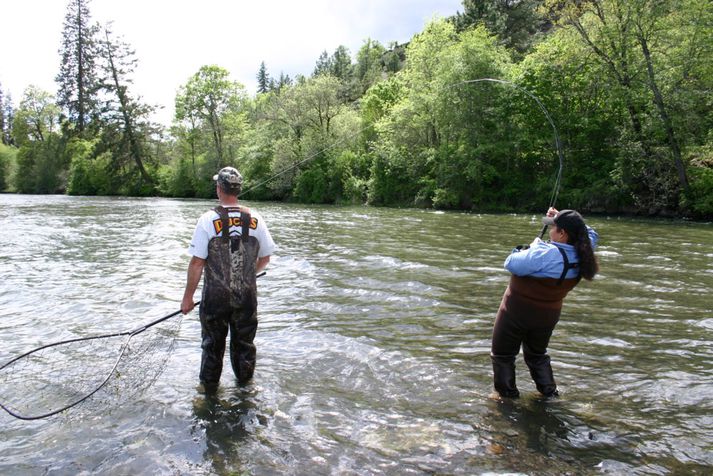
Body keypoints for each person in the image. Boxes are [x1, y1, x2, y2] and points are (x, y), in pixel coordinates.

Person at [181, 166, 275, 392]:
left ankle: (209, 395)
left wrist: (187, 298)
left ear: (218, 189)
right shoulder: (256, 219)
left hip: (215, 299)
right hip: (246, 298)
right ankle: (245, 391)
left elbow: (197, 263)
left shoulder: (207, 219)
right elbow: (266, 257)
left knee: (212, 347)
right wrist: (247, 275)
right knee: (244, 346)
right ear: (238, 189)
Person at [490, 208, 599, 399]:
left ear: (563, 234)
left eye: (553, 227)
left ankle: (506, 400)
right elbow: (590, 233)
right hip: (548, 316)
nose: (550, 231)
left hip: (516, 313)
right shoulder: (585, 248)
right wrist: (564, 218)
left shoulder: (545, 253)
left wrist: (532, 247)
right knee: (537, 355)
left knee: (503, 356)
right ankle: (549, 395)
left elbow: (510, 263)